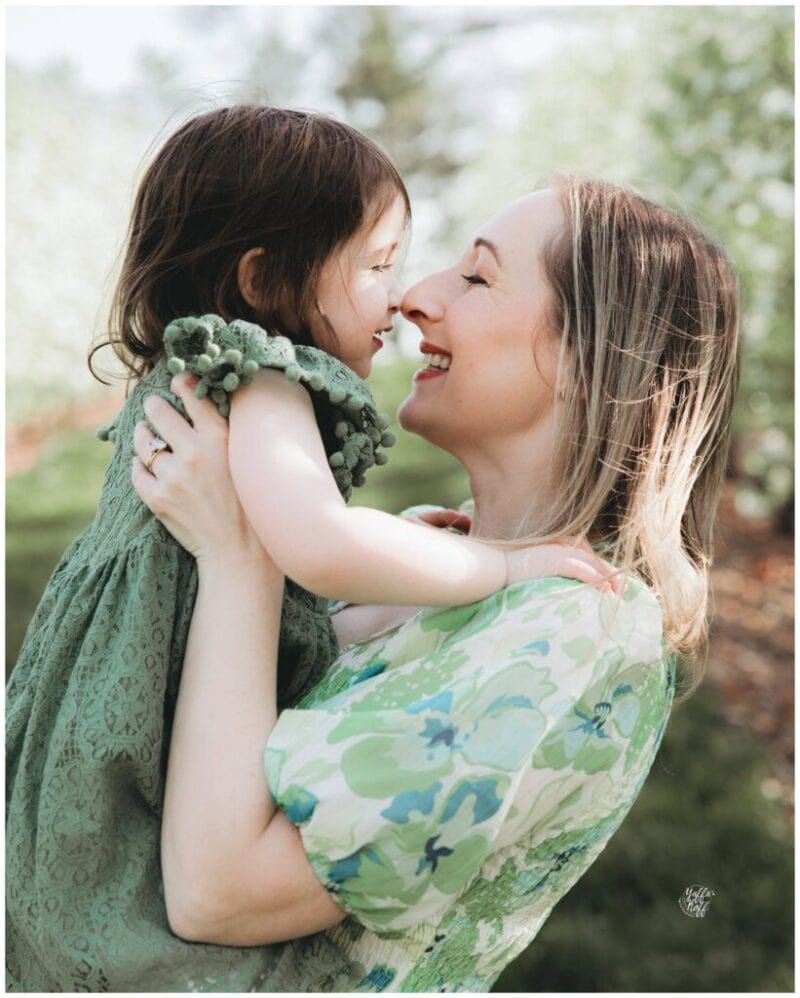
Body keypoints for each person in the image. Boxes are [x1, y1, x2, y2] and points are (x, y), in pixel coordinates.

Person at [5, 105, 604, 993]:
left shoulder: (203, 384)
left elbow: (288, 602)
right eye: (374, 267)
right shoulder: (262, 380)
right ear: (261, 279)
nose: (398, 299)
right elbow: (317, 549)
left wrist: (398, 582)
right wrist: (508, 565)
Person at [129, 176, 740, 992]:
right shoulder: (427, 547)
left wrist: (242, 561)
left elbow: (218, 895)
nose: (414, 297)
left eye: (478, 277)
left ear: (597, 361)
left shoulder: (579, 632)